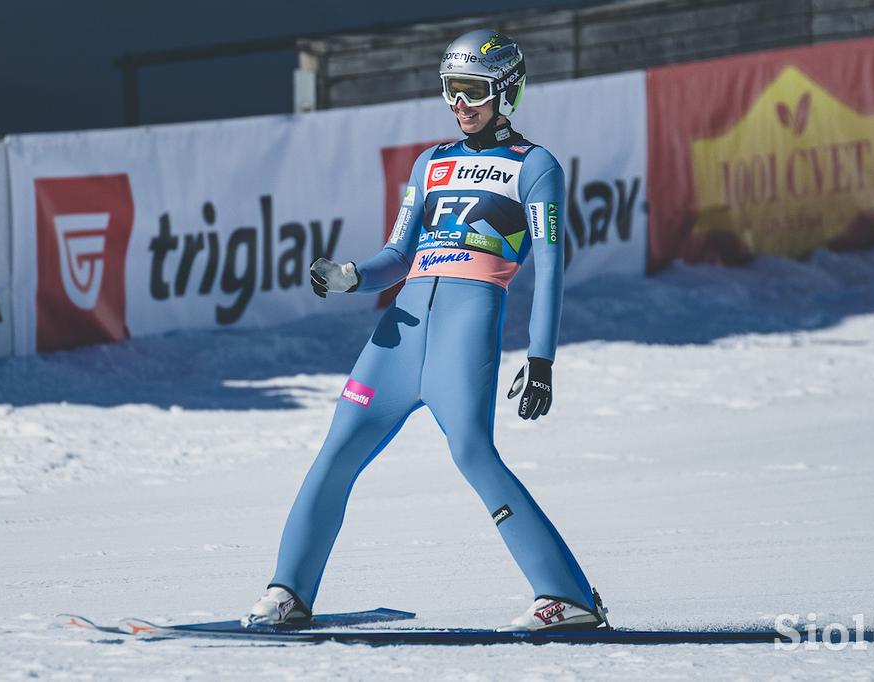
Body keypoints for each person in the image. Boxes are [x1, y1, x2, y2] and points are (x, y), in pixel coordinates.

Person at [244, 29, 607, 632]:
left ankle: (566, 595)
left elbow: (550, 271)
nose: (459, 104)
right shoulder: (431, 162)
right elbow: (397, 255)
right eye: (450, 91)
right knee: (338, 448)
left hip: (467, 323)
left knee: (472, 451)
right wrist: (351, 276)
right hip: (401, 328)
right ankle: (288, 592)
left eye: (472, 91)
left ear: (507, 93)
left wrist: (541, 360)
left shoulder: (534, 166)